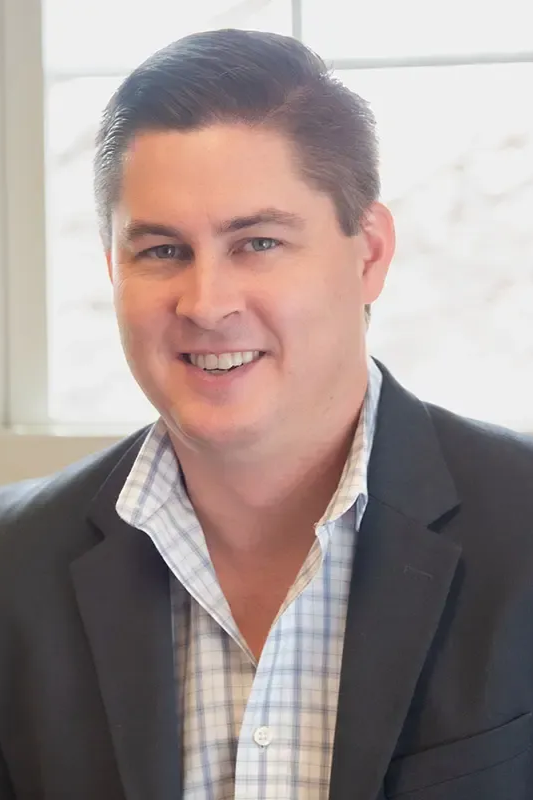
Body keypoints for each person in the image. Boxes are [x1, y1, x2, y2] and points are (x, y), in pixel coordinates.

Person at [1, 27, 533, 800]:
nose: (206, 303)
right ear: (113, 268)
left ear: (369, 253)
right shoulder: (13, 567)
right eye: (162, 251)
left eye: (256, 242)